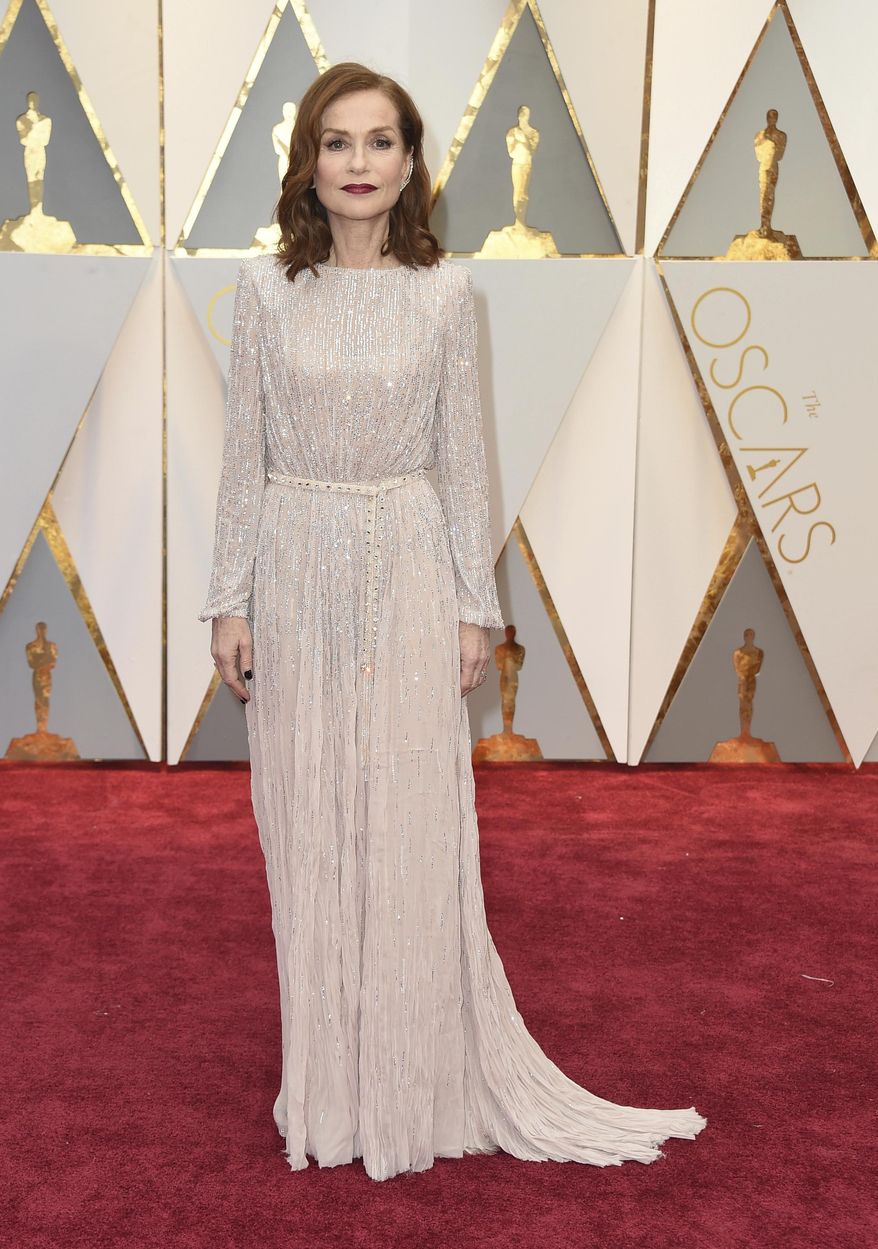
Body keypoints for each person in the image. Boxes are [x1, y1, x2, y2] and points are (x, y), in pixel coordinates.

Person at [197, 61, 707, 1183]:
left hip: (409, 569)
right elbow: (244, 462)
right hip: (293, 560)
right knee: (309, 823)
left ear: (410, 160)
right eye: (337, 142)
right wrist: (226, 601)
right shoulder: (263, 293)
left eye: (381, 141)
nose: (360, 163)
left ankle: (414, 1077)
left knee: (408, 823)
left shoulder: (444, 295)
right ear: (308, 163)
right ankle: (326, 1083)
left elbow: (458, 461)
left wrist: (476, 604)